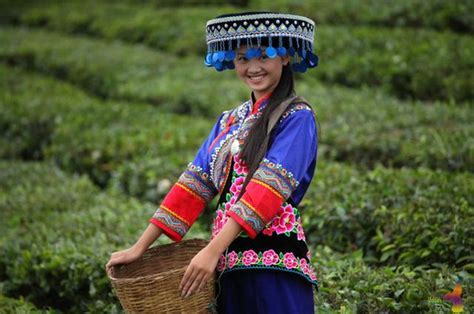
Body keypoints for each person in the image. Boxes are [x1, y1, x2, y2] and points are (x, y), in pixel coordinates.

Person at [106, 11, 320, 313]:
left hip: (274, 265)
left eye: (263, 56)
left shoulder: (297, 117)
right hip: (226, 266)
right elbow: (193, 185)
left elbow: (267, 190)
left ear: (284, 58)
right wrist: (140, 248)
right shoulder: (229, 120)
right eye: (243, 59)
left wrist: (211, 250)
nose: (253, 67)